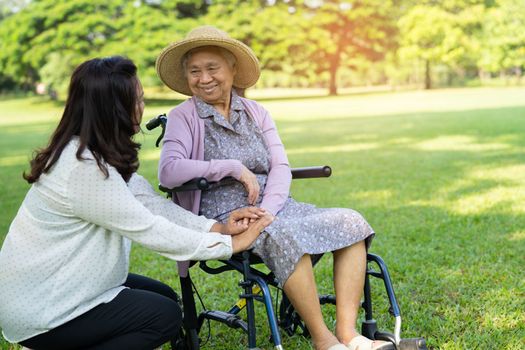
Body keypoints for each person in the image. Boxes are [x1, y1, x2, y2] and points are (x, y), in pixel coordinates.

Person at [0, 56, 273, 350]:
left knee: (166, 298)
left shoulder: (91, 152)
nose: (142, 108)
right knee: (163, 316)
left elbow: (151, 205)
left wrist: (218, 228)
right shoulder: (84, 168)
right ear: (113, 110)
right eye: (137, 100)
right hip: (44, 308)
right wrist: (230, 246)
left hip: (56, 287)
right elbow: (149, 228)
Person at [155, 26, 394, 350]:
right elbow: (169, 171)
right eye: (195, 71)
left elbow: (280, 166)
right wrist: (232, 167)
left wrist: (269, 208)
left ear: (232, 69)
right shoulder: (184, 116)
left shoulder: (256, 112)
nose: (204, 78)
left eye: (213, 68)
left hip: (274, 205)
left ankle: (348, 334)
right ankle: (323, 340)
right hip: (226, 216)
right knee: (281, 234)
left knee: (350, 221)